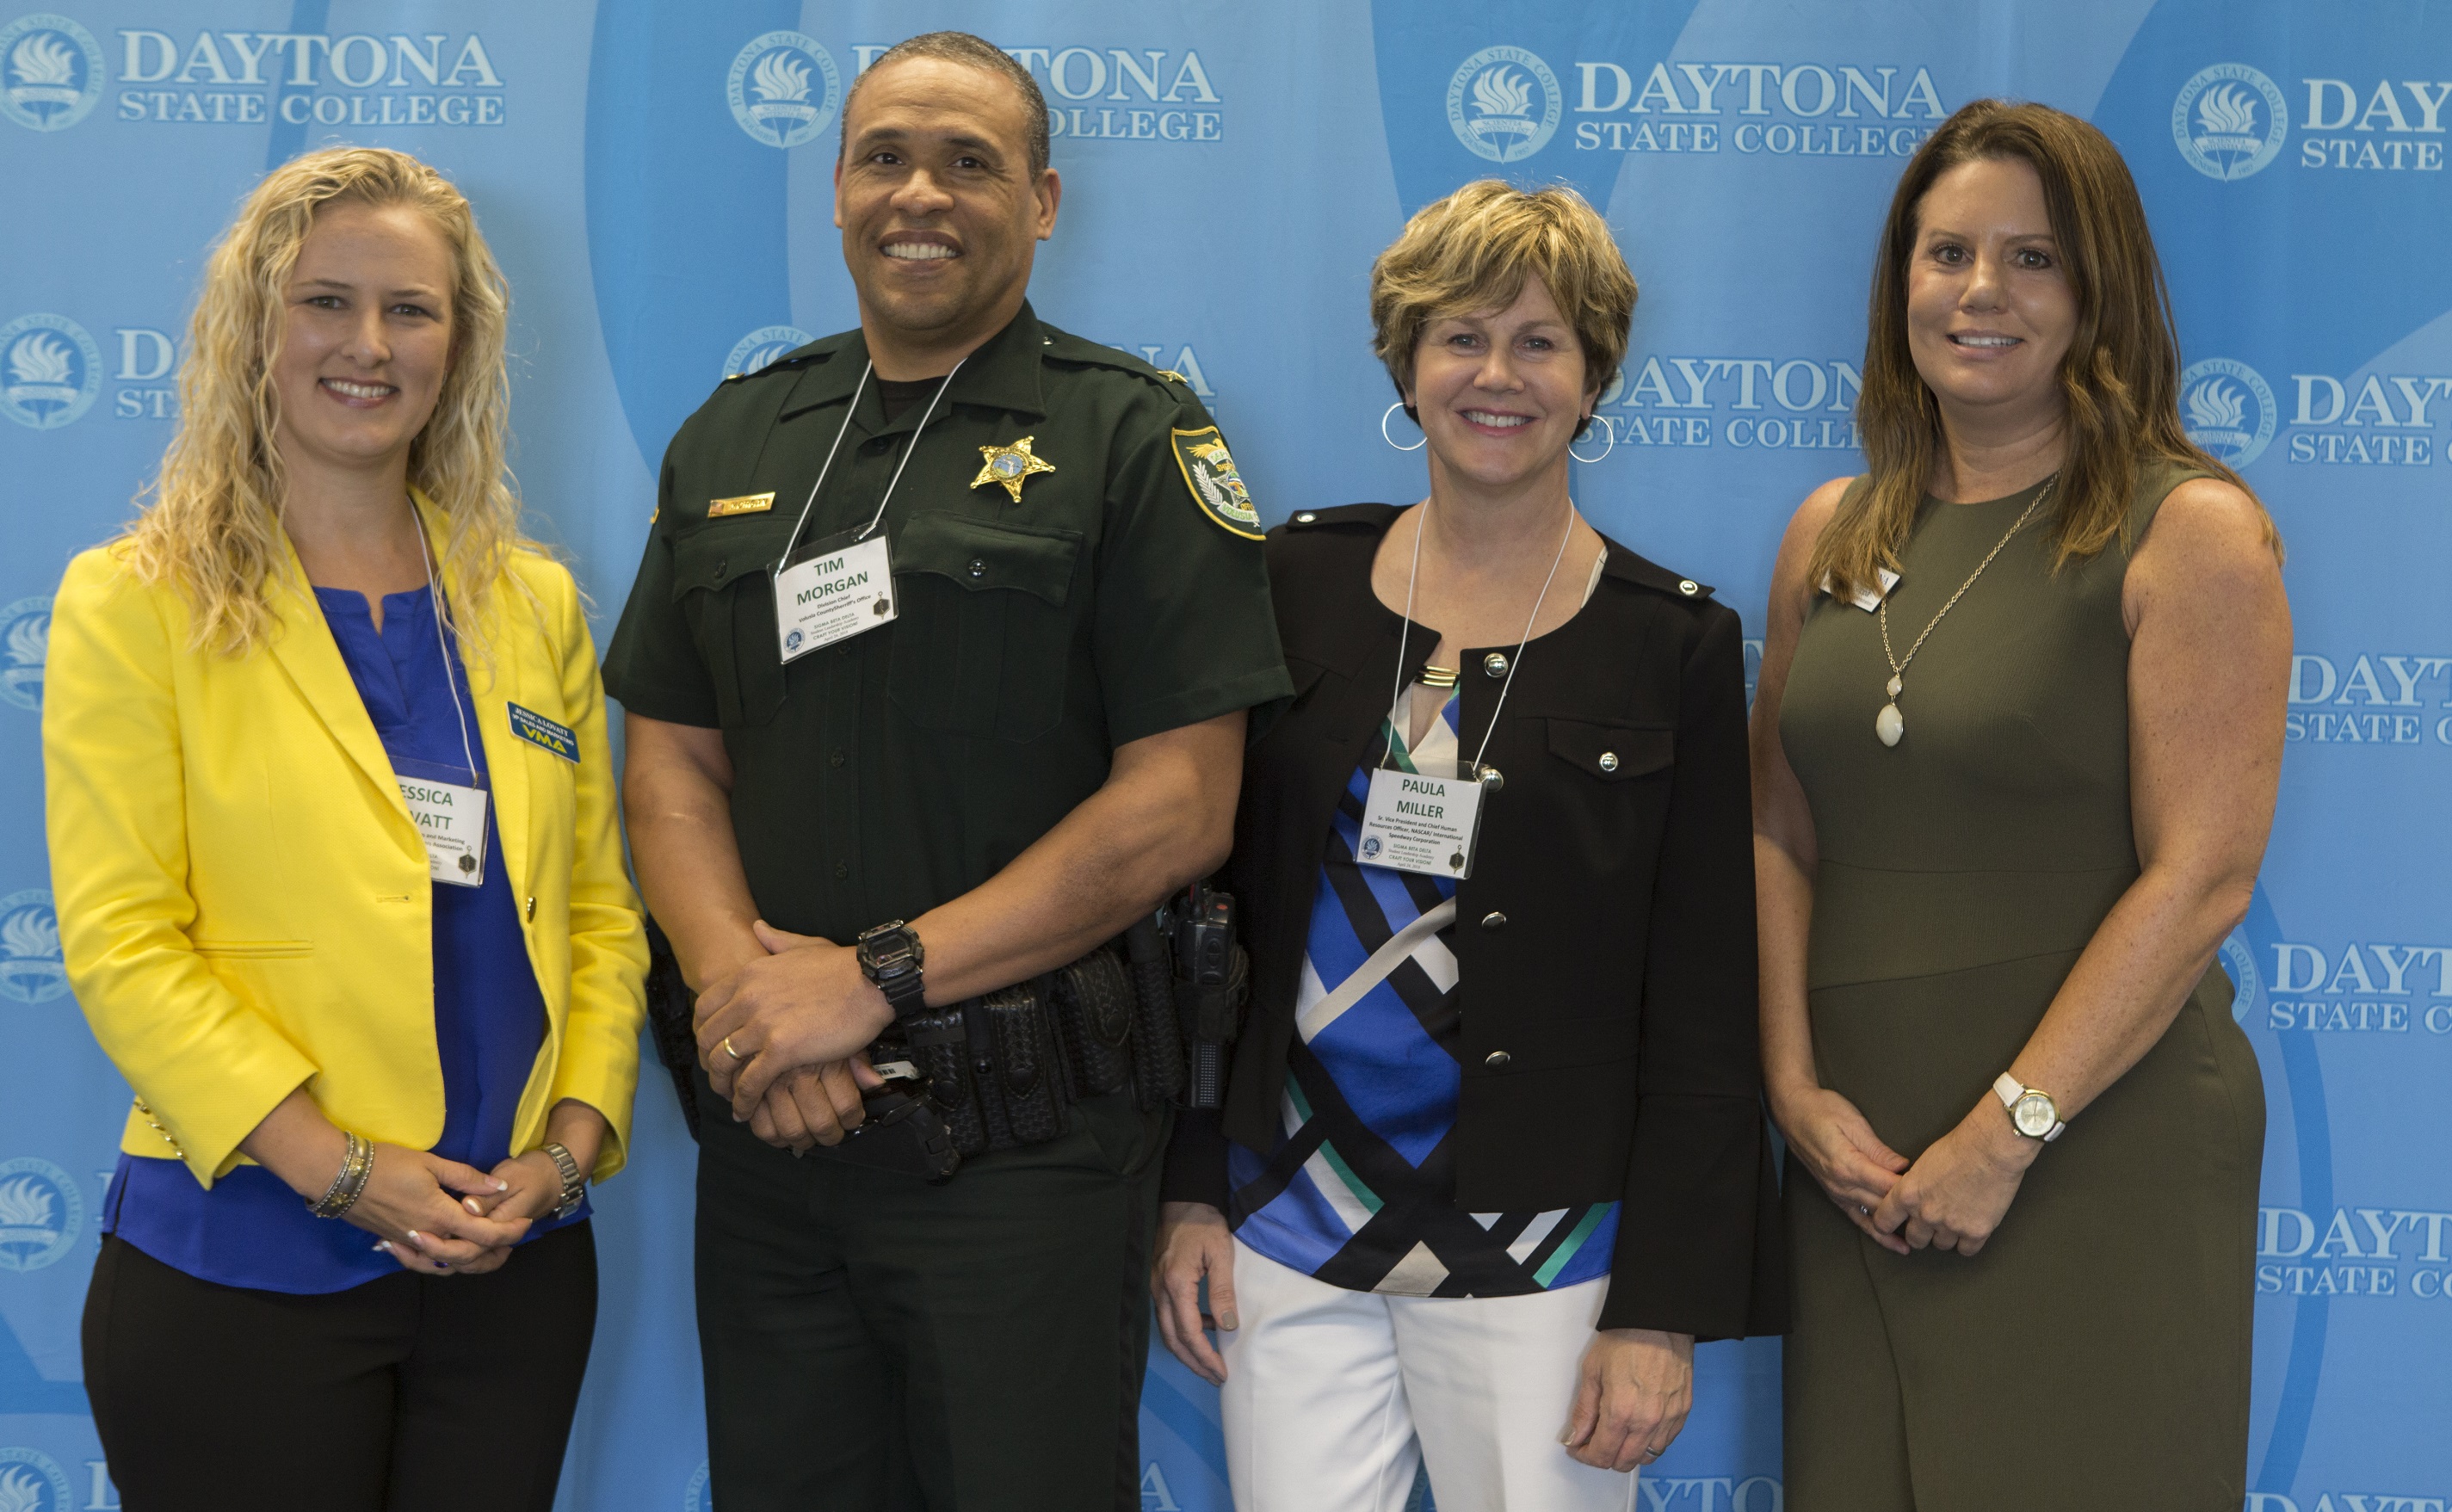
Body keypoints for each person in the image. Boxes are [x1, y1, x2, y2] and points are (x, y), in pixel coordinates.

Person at [601, 31, 1290, 1512]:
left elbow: (1181, 801)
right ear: (836, 190)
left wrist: (875, 978)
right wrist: (752, 1009)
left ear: (1042, 202)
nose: (920, 192)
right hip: (774, 1144)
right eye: (884, 157)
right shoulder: (733, 434)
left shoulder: (1130, 435)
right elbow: (667, 759)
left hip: (1023, 1154)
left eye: (968, 161)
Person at [1151, 181, 1784, 1511]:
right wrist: (1193, 1189)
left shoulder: (1669, 641)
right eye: (1460, 336)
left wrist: (1657, 1308)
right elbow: (1208, 924)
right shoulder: (1294, 583)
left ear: (1595, 374)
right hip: (1288, 1224)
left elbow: (1706, 1002)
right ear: (1404, 361)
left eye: (1540, 341)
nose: (1497, 375)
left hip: (1544, 1251)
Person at [44, 147, 646, 1511]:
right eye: (326, 301)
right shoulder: (137, 603)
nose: (367, 345)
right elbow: (124, 940)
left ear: (461, 343)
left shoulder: (530, 603)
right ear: (256, 327)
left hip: (514, 1267)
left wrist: (564, 1153)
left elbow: (601, 914)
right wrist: (344, 1170)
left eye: (411, 310)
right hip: (240, 1262)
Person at [1751, 100, 2288, 1507]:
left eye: (2031, 259)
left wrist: (2004, 1138)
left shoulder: (2189, 531)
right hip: (1858, 1168)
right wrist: (1794, 1090)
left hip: (2086, 1157)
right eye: (1946, 255)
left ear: (2095, 289)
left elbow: (2202, 878)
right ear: (1900, 284)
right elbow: (1777, 828)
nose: (1979, 292)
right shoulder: (1826, 532)